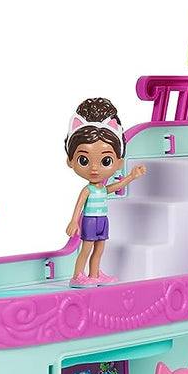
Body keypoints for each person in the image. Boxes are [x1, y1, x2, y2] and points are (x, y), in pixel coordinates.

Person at [64, 97, 146, 287]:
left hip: (102, 220)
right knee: (86, 248)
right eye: (84, 160)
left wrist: (132, 176)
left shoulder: (100, 188)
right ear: (70, 160)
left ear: (118, 162)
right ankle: (78, 275)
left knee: (99, 248)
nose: (94, 168)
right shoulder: (87, 190)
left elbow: (114, 187)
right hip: (90, 220)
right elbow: (79, 206)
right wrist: (74, 221)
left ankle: (94, 273)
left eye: (105, 161)